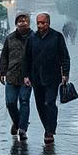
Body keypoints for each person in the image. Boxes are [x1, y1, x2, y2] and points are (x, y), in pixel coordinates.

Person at [22, 12, 70, 145]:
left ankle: (50, 130)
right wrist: (26, 75)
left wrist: (65, 73)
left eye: (43, 22)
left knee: (49, 103)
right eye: (38, 23)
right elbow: (27, 58)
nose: (40, 25)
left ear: (48, 23)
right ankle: (47, 127)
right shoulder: (32, 38)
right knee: (40, 105)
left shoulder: (57, 37)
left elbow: (64, 56)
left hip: (52, 77)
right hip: (36, 77)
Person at [0, 13, 33, 140]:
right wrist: (2, 71)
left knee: (24, 101)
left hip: (27, 77)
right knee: (10, 102)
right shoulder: (10, 38)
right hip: (11, 75)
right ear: (16, 23)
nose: (22, 23)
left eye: (25, 20)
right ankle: (17, 122)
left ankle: (22, 129)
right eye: (19, 21)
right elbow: (4, 55)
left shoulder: (34, 38)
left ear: (29, 23)